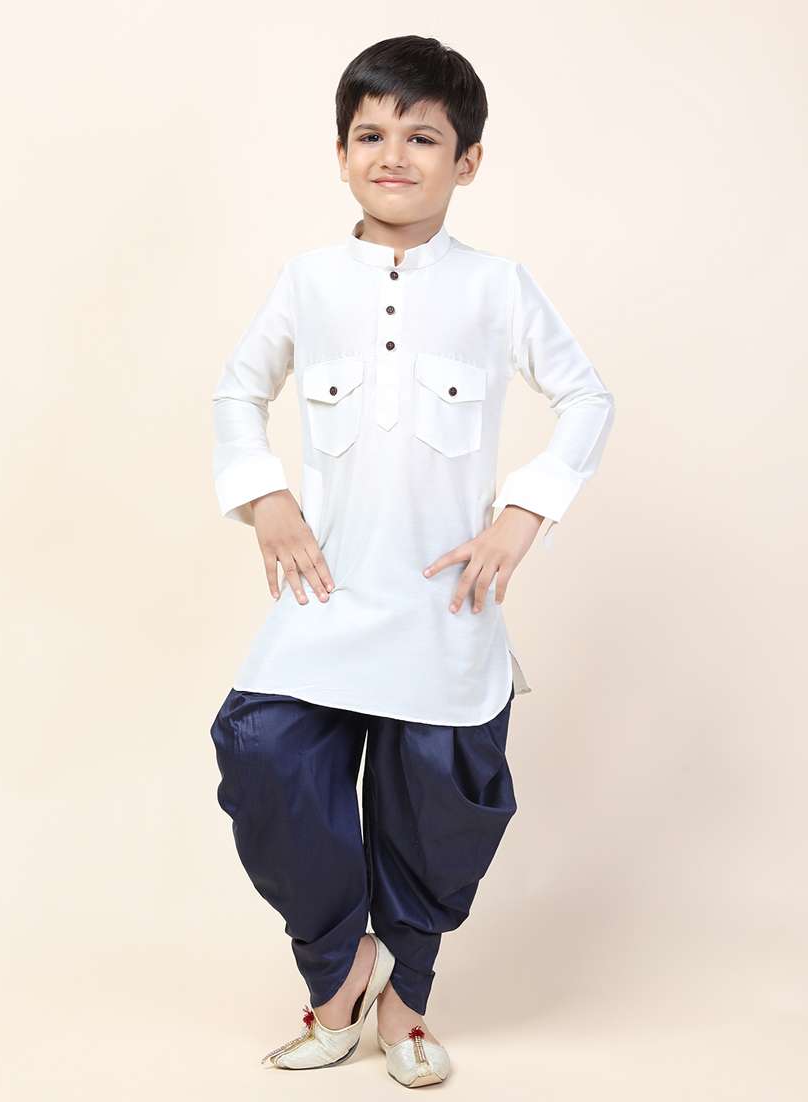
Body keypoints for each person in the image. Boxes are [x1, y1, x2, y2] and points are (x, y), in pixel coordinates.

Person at [209, 34, 615, 1087]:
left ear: (465, 161)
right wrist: (266, 498)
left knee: (437, 806)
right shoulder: (306, 281)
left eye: (422, 136)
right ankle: (342, 967)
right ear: (341, 154)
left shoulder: (498, 287)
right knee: (263, 756)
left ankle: (406, 1005)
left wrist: (523, 514)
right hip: (328, 594)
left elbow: (586, 397)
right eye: (370, 134)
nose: (393, 154)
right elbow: (236, 392)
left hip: (444, 602)